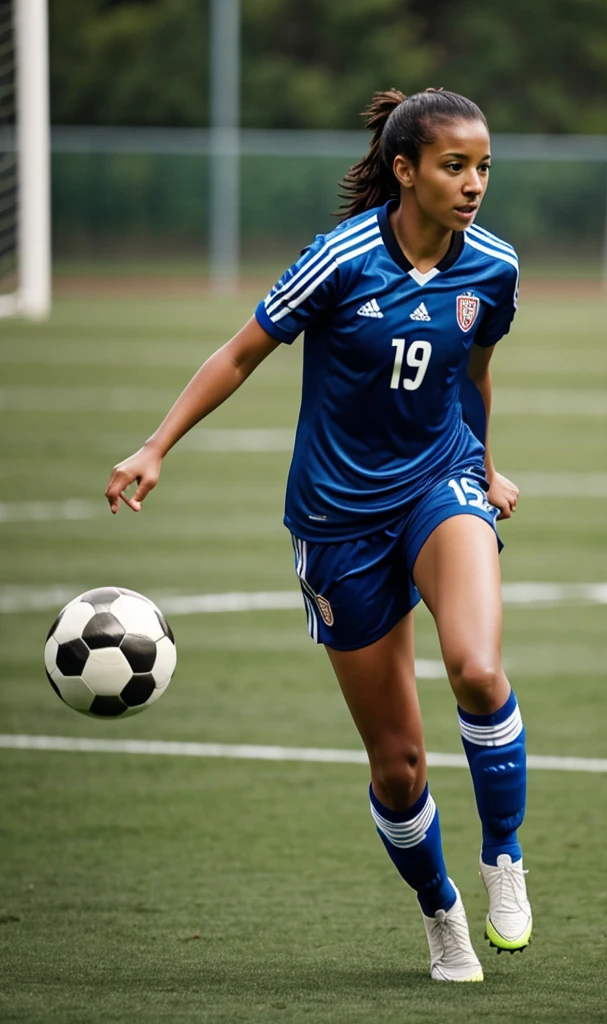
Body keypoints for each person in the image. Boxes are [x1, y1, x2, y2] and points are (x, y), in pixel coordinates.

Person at [105, 87, 531, 983]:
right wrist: (156, 445)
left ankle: (505, 858)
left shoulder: (494, 267)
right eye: (455, 166)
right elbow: (238, 354)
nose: (474, 184)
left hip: (438, 482)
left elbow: (473, 377)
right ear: (406, 169)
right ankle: (440, 910)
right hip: (337, 520)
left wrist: (485, 468)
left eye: (484, 166)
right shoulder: (340, 257)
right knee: (400, 765)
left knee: (478, 668)